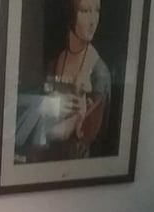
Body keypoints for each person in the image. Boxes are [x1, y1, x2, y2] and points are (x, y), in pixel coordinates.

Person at [15, 0, 111, 162]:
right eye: (85, 11)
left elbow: (96, 140)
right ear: (70, 14)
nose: (93, 20)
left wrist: (81, 122)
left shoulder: (100, 74)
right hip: (41, 162)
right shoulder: (54, 63)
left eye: (97, 10)